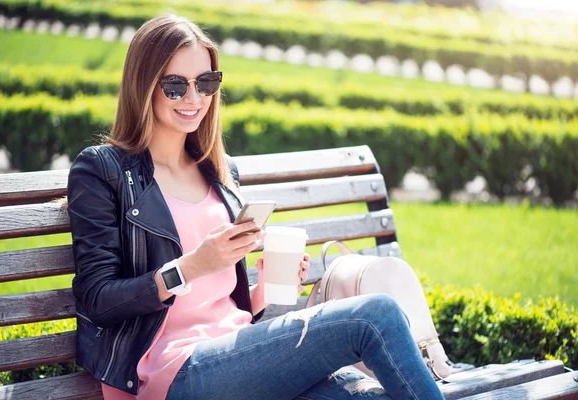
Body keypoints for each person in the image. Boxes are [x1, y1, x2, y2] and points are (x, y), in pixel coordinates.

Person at [66, 13, 445, 400]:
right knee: (374, 316)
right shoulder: (103, 171)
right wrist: (192, 266)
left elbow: (219, 303)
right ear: (144, 85)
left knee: (365, 396)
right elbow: (98, 299)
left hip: (237, 357)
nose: (194, 98)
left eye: (206, 82)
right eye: (176, 85)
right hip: (172, 372)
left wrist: (262, 291)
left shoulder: (218, 171)